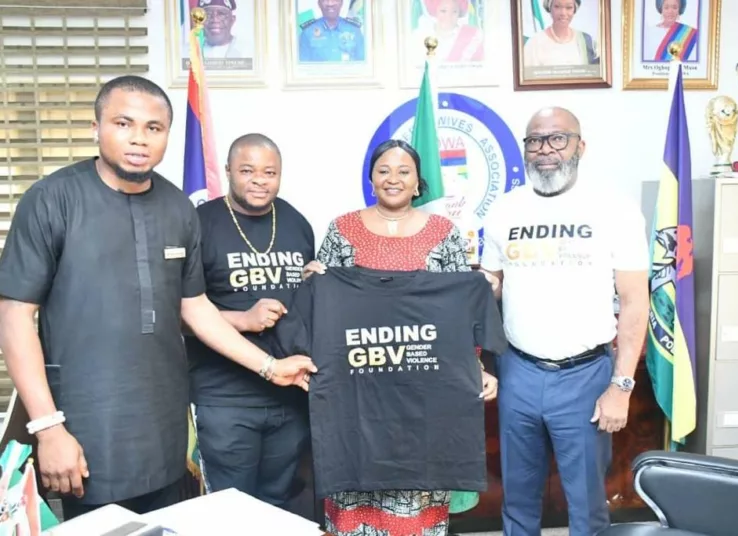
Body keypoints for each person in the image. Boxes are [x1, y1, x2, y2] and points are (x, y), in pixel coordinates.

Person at [0, 75, 316, 520]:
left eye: (153, 128)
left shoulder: (178, 208)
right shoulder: (52, 200)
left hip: (165, 425)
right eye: (124, 123)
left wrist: (271, 367)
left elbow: (195, 308)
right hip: (86, 425)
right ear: (96, 127)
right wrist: (49, 427)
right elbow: (14, 317)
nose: (138, 139)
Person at [303, 139, 499, 536]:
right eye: (384, 170)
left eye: (403, 171)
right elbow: (324, 309)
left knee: (420, 480)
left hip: (423, 390)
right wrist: (313, 283)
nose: (393, 179)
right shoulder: (342, 230)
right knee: (355, 477)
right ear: (371, 178)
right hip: (358, 389)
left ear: (418, 182)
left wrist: (475, 367)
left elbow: (458, 313)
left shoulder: (444, 233)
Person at [480, 107, 649, 536]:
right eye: (535, 141)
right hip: (518, 372)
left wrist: (621, 386)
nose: (545, 150)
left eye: (558, 139)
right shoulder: (503, 211)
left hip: (586, 376)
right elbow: (491, 287)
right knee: (517, 498)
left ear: (580, 146)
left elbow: (633, 303)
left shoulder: (615, 208)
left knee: (587, 504)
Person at [186, 133, 316, 507]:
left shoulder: (295, 221)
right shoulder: (198, 223)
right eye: (247, 170)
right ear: (227, 171)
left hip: (290, 394)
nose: (260, 180)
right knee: (231, 511)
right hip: (226, 397)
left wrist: (315, 285)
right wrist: (242, 318)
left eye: (269, 172)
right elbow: (178, 315)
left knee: (279, 505)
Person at [523, 0, 599, 67]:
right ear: (550, 8)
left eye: (569, 7)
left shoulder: (587, 41)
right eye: (557, 6)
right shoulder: (534, 43)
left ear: (574, 10)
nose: (563, 13)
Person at [413, 0, 484, 63]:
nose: (448, 16)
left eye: (454, 11)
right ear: (435, 10)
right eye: (443, 11)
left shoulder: (473, 37)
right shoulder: (420, 36)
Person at [299, 0, 365, 63]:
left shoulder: (354, 30)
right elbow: (302, 67)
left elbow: (363, 62)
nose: (330, 4)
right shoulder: (307, 32)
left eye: (335, 0)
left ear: (341, 3)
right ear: (319, 4)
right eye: (325, 0)